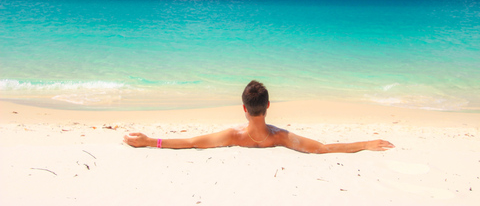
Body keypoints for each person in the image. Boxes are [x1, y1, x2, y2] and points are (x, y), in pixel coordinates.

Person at [124, 80, 394, 154]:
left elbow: (192, 142)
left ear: (244, 108)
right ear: (268, 106)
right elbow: (322, 148)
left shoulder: (233, 136)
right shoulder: (279, 138)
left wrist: (150, 141)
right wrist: (364, 144)